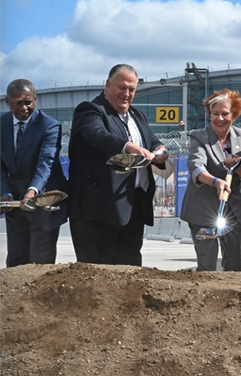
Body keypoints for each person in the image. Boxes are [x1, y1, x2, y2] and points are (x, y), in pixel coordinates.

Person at [67, 64, 169, 266]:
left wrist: (159, 151)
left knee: (130, 272)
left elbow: (152, 141)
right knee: (97, 273)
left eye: (131, 89)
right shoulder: (91, 110)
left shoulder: (137, 115)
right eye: (122, 87)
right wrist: (130, 147)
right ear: (107, 85)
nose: (127, 94)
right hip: (98, 211)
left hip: (133, 207)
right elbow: (97, 135)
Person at [179, 89, 241, 272]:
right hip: (203, 209)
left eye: (225, 114)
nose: (220, 119)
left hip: (234, 210)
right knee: (207, 267)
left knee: (236, 265)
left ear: (234, 115)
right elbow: (196, 166)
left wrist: (239, 167)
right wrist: (216, 182)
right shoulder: (199, 137)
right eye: (215, 114)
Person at [1, 79, 67, 267]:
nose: (24, 107)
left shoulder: (50, 126)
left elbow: (46, 162)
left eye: (28, 101)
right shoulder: (1, 125)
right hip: (15, 207)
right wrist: (5, 193)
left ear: (35, 99)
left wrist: (33, 191)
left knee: (40, 265)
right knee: (16, 264)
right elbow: (1, 167)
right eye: (18, 102)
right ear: (7, 102)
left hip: (43, 206)